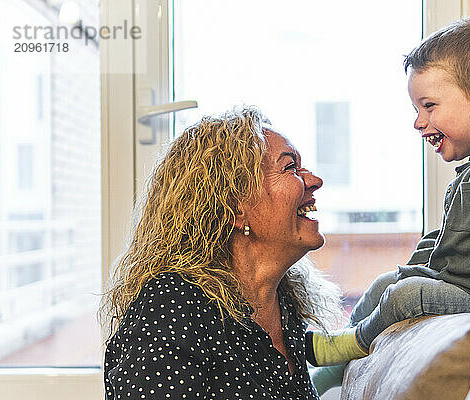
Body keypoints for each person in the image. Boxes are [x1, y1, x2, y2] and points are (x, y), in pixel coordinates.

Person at [308, 17, 470, 395]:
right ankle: (329, 373)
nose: (419, 122)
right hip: (460, 287)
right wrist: (413, 269)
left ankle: (348, 344)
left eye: (428, 106)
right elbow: (445, 240)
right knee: (389, 282)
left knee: (405, 294)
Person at [100, 107, 344, 399]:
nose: (314, 180)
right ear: (236, 207)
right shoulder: (172, 308)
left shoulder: (284, 304)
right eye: (290, 167)